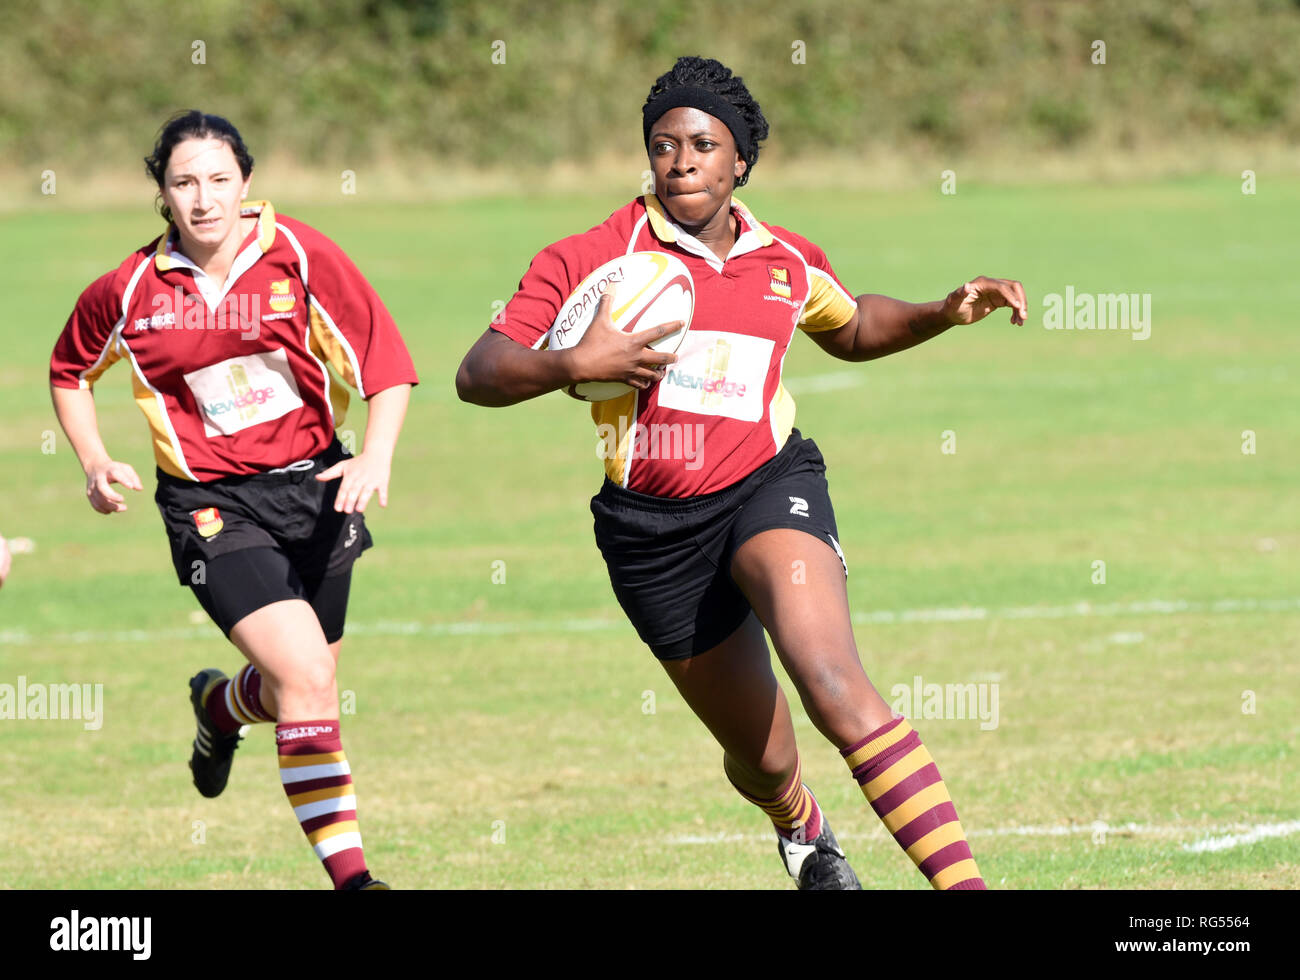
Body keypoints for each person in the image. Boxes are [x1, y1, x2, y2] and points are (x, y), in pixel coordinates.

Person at [458, 56, 1026, 890]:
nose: (680, 160)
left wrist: (942, 311)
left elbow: (854, 324)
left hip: (768, 485)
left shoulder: (784, 259)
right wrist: (578, 359)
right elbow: (480, 372)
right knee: (762, 757)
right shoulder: (591, 256)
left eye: (702, 144)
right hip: (651, 533)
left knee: (833, 684)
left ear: (740, 162)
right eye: (662, 145)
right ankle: (800, 826)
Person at [49, 110, 417, 890]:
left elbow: (385, 365)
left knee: (298, 687)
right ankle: (355, 881)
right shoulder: (130, 289)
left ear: (247, 184)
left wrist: (375, 457)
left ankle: (219, 709)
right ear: (162, 192)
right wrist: (91, 459)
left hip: (319, 492)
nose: (204, 198)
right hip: (211, 507)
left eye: (220, 180)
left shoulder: (302, 257)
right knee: (311, 682)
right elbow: (68, 371)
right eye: (184, 182)